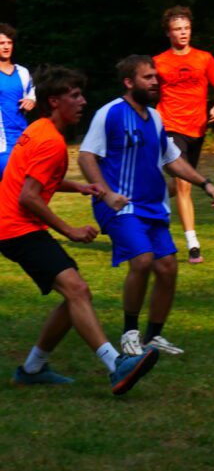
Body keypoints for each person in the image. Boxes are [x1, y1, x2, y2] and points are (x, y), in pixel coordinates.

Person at [0, 65, 160, 394]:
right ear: (54, 101)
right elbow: (29, 196)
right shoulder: (51, 142)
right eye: (75, 95)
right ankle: (116, 365)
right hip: (15, 228)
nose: (83, 101)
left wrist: (80, 187)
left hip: (11, 225)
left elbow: (37, 178)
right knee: (77, 290)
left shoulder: (38, 130)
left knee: (76, 294)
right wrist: (70, 230)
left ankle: (32, 369)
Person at [79, 55, 214, 357]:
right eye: (148, 77)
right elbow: (86, 156)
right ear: (129, 82)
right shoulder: (110, 113)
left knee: (168, 268)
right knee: (143, 259)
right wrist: (106, 193)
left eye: (156, 77)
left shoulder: (156, 118)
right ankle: (129, 334)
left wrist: (205, 183)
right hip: (121, 205)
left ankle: (154, 336)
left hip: (152, 206)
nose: (156, 82)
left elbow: (172, 160)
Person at [154, 6, 214, 264]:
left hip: (197, 129)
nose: (183, 33)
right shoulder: (158, 62)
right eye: (177, 29)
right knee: (184, 185)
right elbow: (147, 89)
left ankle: (143, 198)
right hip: (170, 127)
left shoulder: (204, 58)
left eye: (186, 28)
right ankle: (193, 245)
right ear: (168, 33)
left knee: (179, 184)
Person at [0, 23, 36, 177]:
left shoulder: (23, 72)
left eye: (9, 42)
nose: (6, 47)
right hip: (2, 144)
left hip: (23, 139)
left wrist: (31, 102)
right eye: (2, 43)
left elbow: (32, 95)